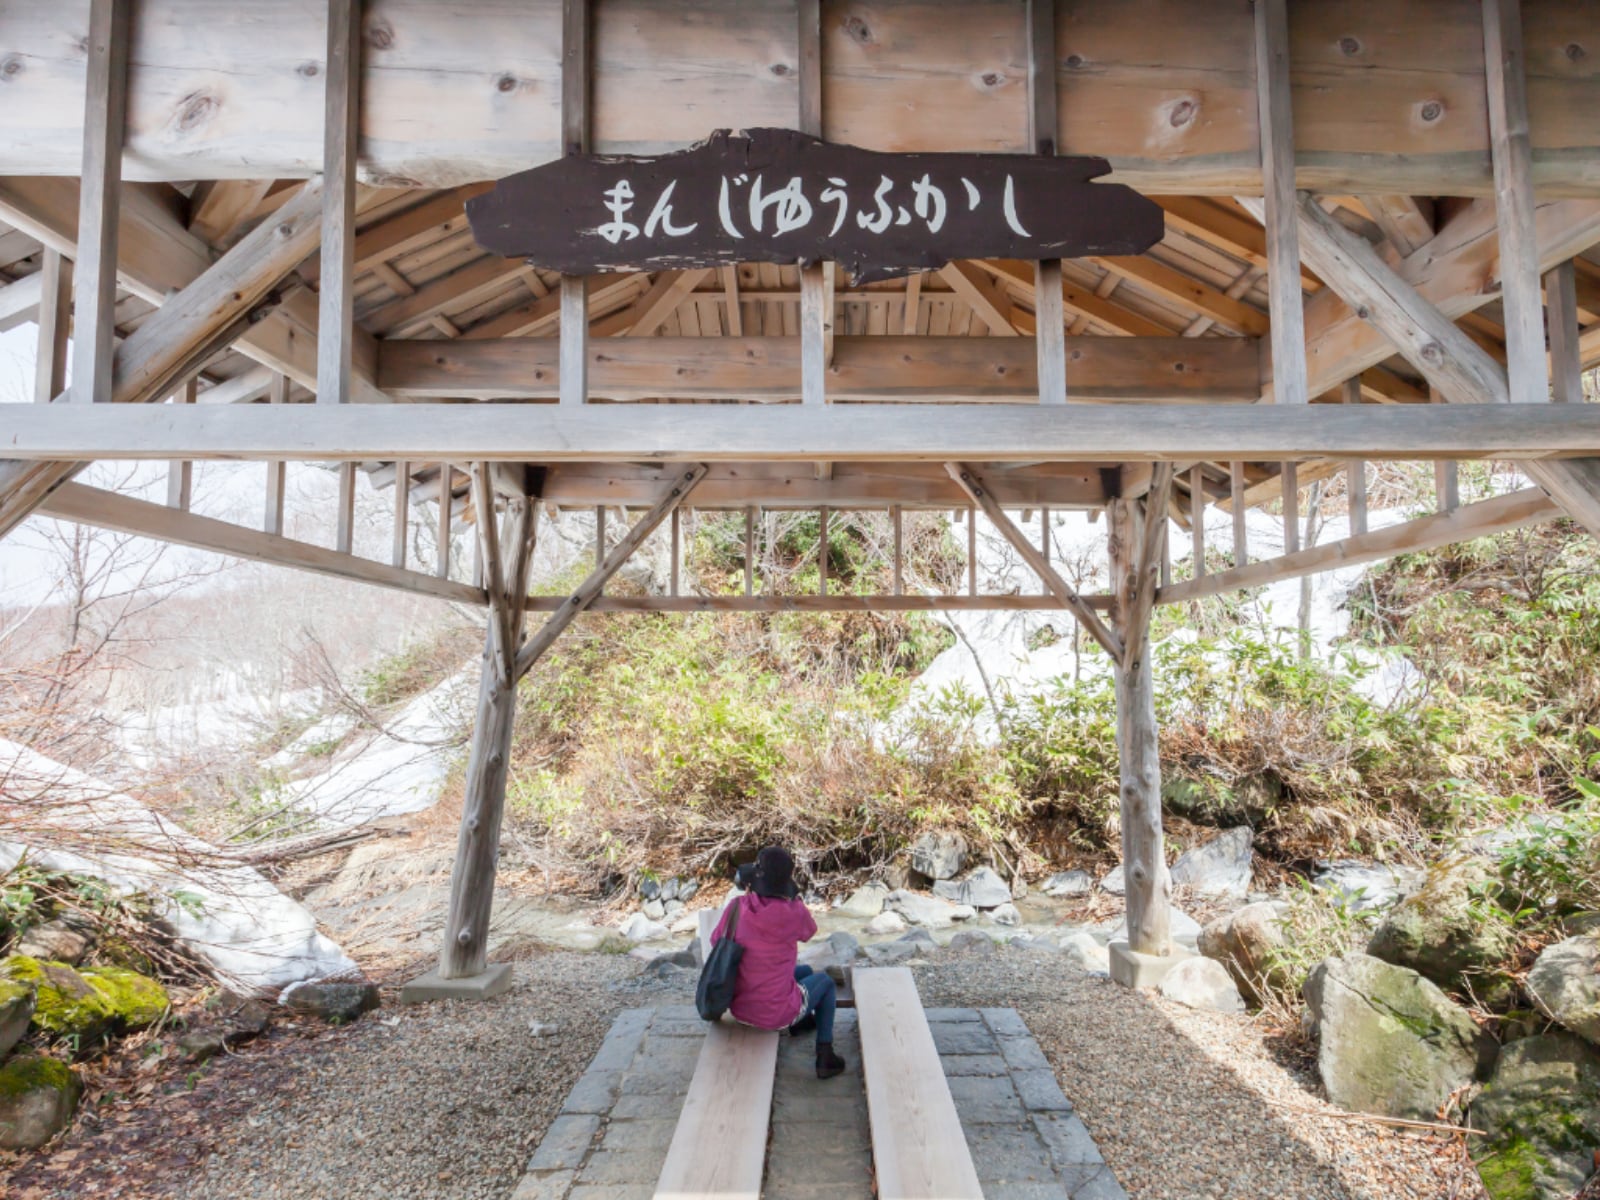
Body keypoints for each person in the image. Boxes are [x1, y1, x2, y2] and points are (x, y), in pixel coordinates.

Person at [711, 846, 846, 1079]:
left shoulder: (736, 908)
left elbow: (716, 940)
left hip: (740, 1008)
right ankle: (825, 1055)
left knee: (803, 970)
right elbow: (809, 931)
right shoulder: (793, 912)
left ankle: (800, 1024)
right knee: (824, 982)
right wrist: (794, 899)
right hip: (774, 1015)